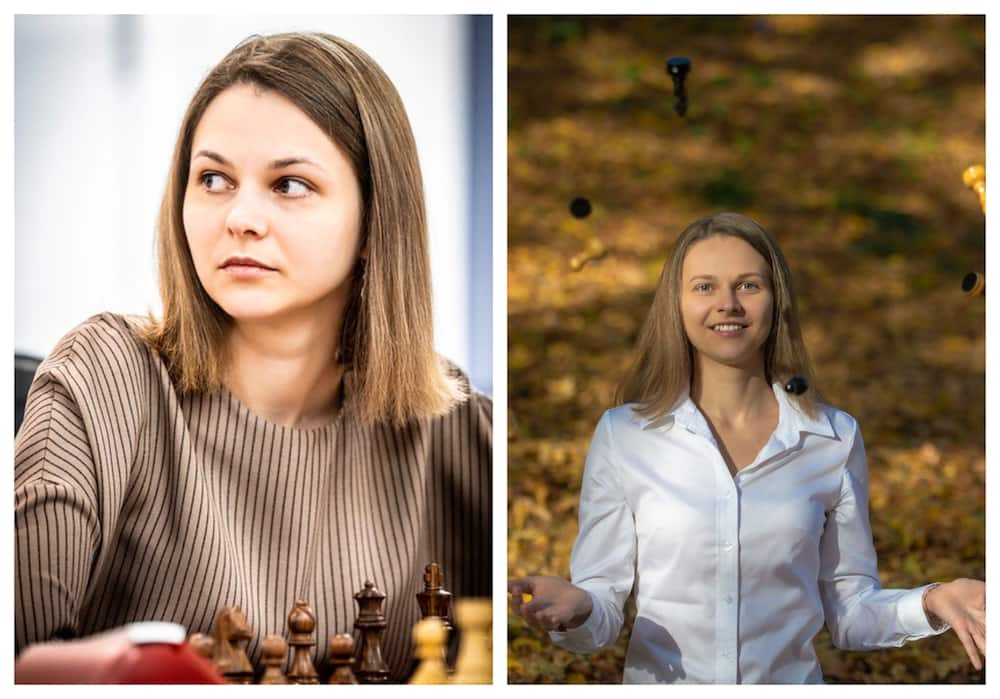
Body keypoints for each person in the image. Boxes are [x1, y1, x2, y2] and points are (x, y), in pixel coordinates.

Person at [15, 32, 491, 683]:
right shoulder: (106, 372)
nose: (239, 216)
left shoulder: (461, 429)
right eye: (213, 178)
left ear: (376, 217)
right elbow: (18, 656)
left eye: (289, 184)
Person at [508, 212, 985, 683]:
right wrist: (578, 607)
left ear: (778, 302)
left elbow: (850, 611)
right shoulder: (624, 436)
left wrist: (932, 601)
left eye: (748, 286)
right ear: (675, 304)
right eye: (704, 287)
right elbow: (602, 610)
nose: (728, 304)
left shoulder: (834, 439)